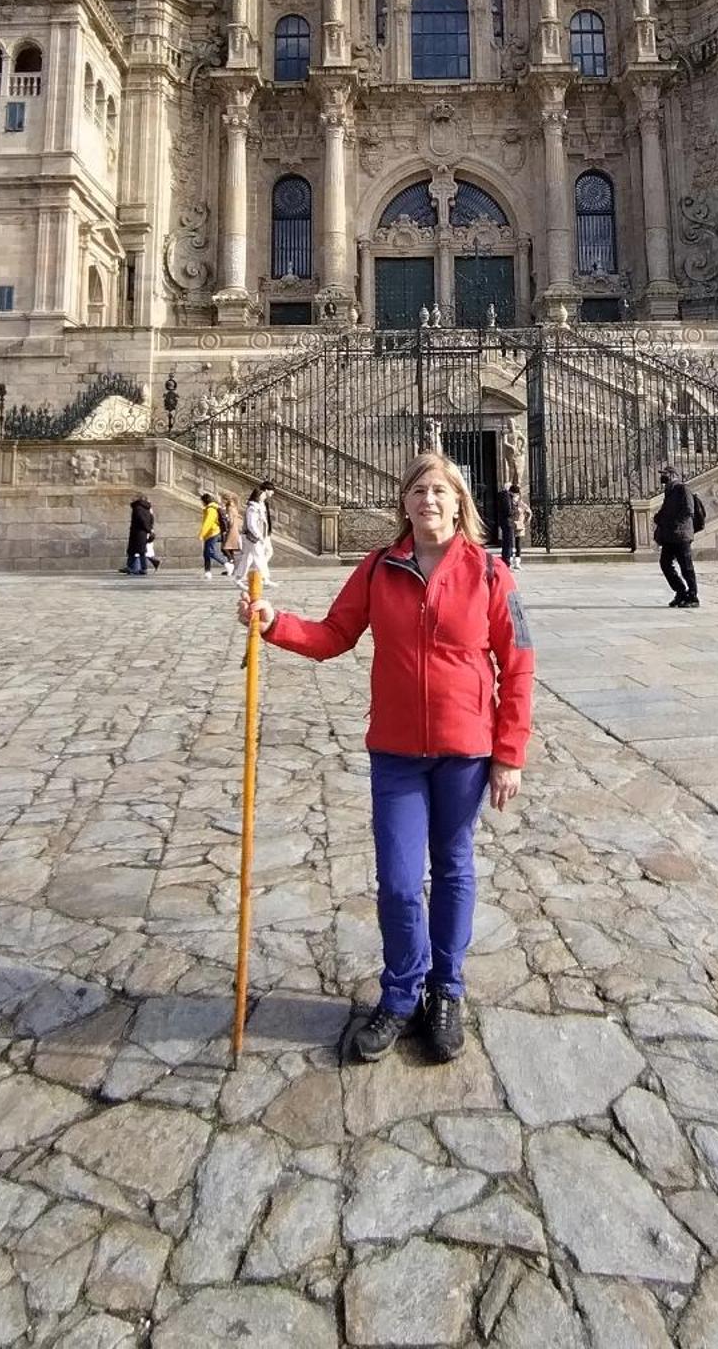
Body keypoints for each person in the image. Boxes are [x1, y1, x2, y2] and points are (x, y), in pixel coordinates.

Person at [240, 451, 533, 1066]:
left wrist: (509, 753)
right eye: (418, 490)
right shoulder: (379, 568)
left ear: (460, 503)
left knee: (453, 868)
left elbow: (518, 663)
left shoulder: (490, 573)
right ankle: (401, 993)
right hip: (397, 751)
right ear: (403, 501)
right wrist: (273, 624)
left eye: (440, 492)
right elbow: (333, 635)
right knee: (400, 883)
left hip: (465, 749)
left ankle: (446, 992)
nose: (429, 500)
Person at [654, 466, 699, 608]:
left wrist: (674, 523)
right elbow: (665, 511)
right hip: (669, 536)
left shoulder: (682, 489)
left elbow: (689, 510)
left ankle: (693, 596)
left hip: (681, 535)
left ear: (673, 475)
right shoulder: (669, 491)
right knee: (665, 564)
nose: (662, 477)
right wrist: (659, 518)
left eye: (665, 474)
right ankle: (680, 592)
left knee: (686, 567)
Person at [238, 482, 274, 588]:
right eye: (262, 495)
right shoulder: (252, 508)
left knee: (247, 558)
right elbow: (251, 524)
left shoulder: (259, 506)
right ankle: (264, 578)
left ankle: (238, 578)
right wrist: (259, 536)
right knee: (259, 557)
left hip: (257, 536)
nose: (264, 497)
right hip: (253, 537)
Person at [123, 496, 154, 576]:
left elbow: (141, 520)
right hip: (143, 533)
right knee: (140, 551)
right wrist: (149, 530)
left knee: (133, 551)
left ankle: (136, 567)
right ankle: (137, 567)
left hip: (137, 533)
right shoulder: (147, 508)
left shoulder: (137, 508)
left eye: (133, 498)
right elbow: (151, 519)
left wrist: (147, 529)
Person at [198, 493, 228, 577]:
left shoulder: (211, 509)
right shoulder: (211, 508)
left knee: (211, 552)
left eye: (202, 501)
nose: (201, 503)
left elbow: (208, 523)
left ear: (205, 501)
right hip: (210, 533)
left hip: (213, 532)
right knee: (206, 553)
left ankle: (226, 564)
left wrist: (201, 534)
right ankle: (207, 572)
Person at [496, 482, 519, 569]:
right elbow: (508, 511)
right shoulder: (506, 497)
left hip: (505, 521)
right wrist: (515, 507)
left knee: (507, 542)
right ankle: (507, 562)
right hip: (507, 522)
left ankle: (506, 561)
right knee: (508, 543)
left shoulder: (504, 496)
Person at [221, 492, 244, 575]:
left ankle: (231, 564)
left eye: (223, 499)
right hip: (235, 528)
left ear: (226, 500)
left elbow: (230, 521)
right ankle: (233, 569)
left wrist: (226, 525)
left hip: (231, 529)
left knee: (226, 548)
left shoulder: (229, 508)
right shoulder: (233, 506)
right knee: (230, 549)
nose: (222, 501)